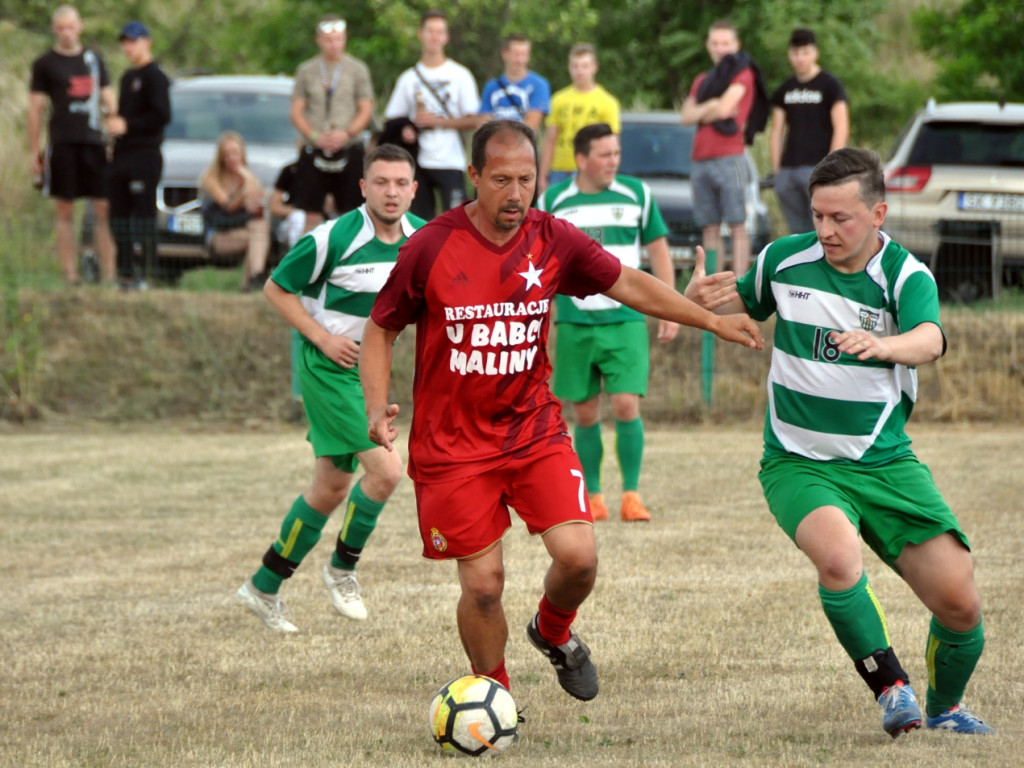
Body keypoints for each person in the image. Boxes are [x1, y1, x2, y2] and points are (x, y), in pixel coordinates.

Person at [359, 120, 762, 699]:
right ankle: (492, 697)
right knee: (483, 587)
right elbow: (381, 327)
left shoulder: (552, 237)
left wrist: (709, 320)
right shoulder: (431, 246)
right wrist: (377, 405)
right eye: (501, 180)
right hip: (452, 446)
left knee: (579, 559)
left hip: (533, 431)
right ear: (474, 177)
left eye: (527, 179)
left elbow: (626, 281)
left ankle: (552, 630)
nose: (516, 193)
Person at [684, 147, 994, 737]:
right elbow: (736, 305)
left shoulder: (904, 275)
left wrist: (885, 345)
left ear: (878, 212)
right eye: (817, 216)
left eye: (840, 218)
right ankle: (891, 688)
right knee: (838, 558)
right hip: (799, 464)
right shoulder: (783, 259)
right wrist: (694, 299)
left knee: (961, 604)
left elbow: (929, 339)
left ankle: (947, 708)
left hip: (884, 462)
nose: (825, 229)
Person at [235, 144, 424, 633]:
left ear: (414, 189)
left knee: (331, 487)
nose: (391, 192)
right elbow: (276, 287)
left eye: (401, 183)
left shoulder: (424, 238)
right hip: (327, 368)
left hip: (371, 371)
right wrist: (322, 336)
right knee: (386, 472)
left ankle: (262, 586)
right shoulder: (331, 238)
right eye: (381, 182)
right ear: (363, 187)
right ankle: (343, 570)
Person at [539, 123, 677, 522]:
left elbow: (658, 251)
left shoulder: (637, 195)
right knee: (583, 412)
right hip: (575, 322)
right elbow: (543, 266)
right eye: (604, 154)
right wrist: (543, 321)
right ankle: (594, 496)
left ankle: (631, 496)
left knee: (625, 403)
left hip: (626, 318)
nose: (613, 161)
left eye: (616, 153)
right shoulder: (555, 200)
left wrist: (669, 307)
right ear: (581, 160)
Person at [28, 4, 116, 285]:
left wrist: (113, 127)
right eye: (61, 28)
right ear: (55, 30)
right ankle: (70, 274)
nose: (66, 32)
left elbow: (108, 99)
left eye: (71, 26)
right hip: (63, 142)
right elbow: (36, 108)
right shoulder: (45, 64)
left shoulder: (93, 59)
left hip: (93, 142)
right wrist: (35, 151)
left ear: (80, 27)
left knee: (103, 207)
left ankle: (110, 276)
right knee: (64, 209)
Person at [681, 20, 761, 276]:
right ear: (708, 46)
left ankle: (739, 283)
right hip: (700, 159)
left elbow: (726, 110)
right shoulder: (702, 80)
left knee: (738, 224)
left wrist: (704, 110)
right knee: (709, 227)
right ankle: (713, 279)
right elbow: (686, 116)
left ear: (736, 45)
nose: (720, 48)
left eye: (725, 43)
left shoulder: (743, 74)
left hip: (732, 158)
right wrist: (713, 104)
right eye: (715, 43)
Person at [383, 9, 480, 221]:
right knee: (418, 222)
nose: (434, 37)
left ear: (446, 37)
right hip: (417, 161)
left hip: (450, 159)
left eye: (440, 32)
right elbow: (392, 119)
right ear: (421, 34)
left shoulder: (460, 75)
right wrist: (406, 128)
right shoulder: (408, 78)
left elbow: (475, 119)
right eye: (430, 31)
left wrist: (438, 122)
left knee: (458, 221)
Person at [290, 15, 375, 233]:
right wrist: (315, 135)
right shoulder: (306, 71)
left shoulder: (357, 69)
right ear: (319, 40)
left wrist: (347, 133)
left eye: (338, 39)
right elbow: (297, 111)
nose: (334, 45)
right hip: (315, 146)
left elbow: (365, 108)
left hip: (348, 145)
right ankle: (310, 262)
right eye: (328, 40)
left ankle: (348, 260)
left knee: (351, 211)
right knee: (311, 213)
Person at [105, 21, 171, 290]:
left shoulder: (155, 76)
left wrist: (129, 126)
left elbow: (162, 115)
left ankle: (149, 273)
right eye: (125, 42)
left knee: (143, 216)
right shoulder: (127, 77)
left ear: (147, 42)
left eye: (133, 41)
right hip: (122, 155)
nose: (128, 47)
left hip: (145, 154)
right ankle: (126, 273)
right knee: (118, 215)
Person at [769, 28, 849, 235]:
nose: (800, 58)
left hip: (817, 167)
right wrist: (777, 170)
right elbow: (776, 130)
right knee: (797, 231)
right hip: (788, 169)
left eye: (805, 52)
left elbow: (841, 126)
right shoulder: (785, 88)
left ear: (815, 53)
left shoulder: (830, 85)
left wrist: (830, 166)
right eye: (796, 53)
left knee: (821, 226)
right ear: (789, 55)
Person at [539, 43, 619, 192]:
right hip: (560, 169)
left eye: (585, 66)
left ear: (594, 67)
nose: (580, 71)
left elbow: (612, 144)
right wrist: (543, 175)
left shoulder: (608, 102)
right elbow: (550, 138)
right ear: (569, 68)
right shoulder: (558, 99)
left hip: (591, 169)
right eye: (575, 66)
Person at [198, 132, 271, 292]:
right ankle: (255, 278)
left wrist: (251, 186)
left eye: (235, 153)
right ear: (221, 157)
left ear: (242, 154)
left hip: (243, 231)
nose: (232, 158)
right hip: (220, 234)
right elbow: (228, 206)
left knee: (259, 228)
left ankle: (250, 282)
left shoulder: (248, 176)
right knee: (258, 235)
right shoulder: (212, 178)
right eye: (227, 154)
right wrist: (245, 188)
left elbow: (253, 209)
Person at [479, 33, 551, 132]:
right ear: (504, 54)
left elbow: (531, 125)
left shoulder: (538, 85)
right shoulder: (491, 87)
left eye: (524, 55)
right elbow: (483, 123)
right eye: (516, 55)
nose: (520, 60)